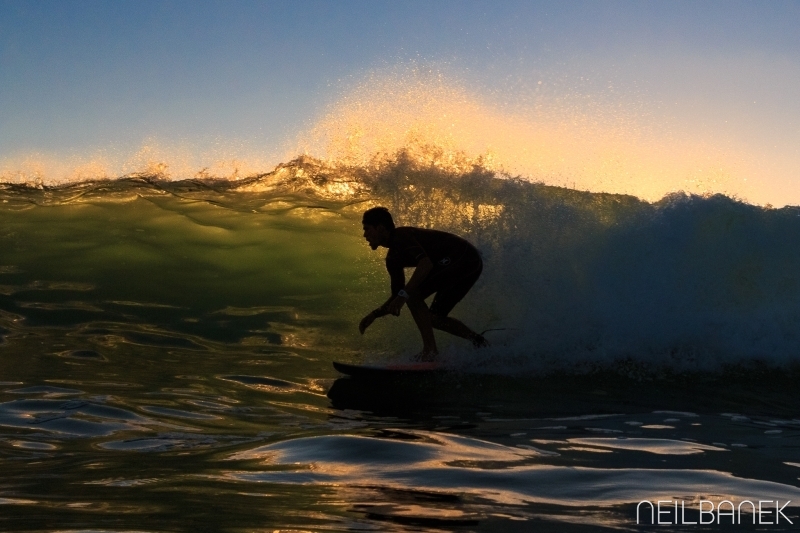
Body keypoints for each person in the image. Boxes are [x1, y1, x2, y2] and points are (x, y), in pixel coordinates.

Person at [358, 206, 488, 360]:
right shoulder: (392, 259)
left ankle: (430, 351)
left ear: (380, 228)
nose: (365, 235)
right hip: (465, 266)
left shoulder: (401, 236)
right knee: (434, 318)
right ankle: (479, 342)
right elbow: (397, 295)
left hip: (464, 257)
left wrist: (404, 296)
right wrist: (375, 314)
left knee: (413, 294)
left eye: (367, 229)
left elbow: (425, 264)